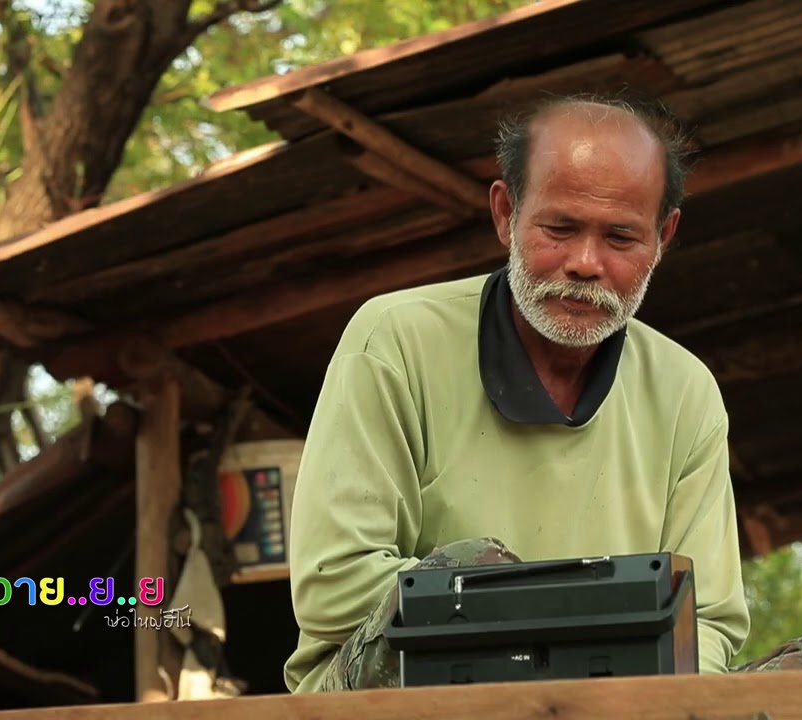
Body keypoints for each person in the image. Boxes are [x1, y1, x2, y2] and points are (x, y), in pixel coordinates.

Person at [283, 93, 751, 693]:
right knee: (465, 568)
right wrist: (570, 637)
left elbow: (707, 620)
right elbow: (333, 587)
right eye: (560, 228)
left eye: (621, 238)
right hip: (414, 695)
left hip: (608, 701)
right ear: (505, 213)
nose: (585, 263)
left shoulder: (686, 392)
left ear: (664, 236)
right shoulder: (394, 341)